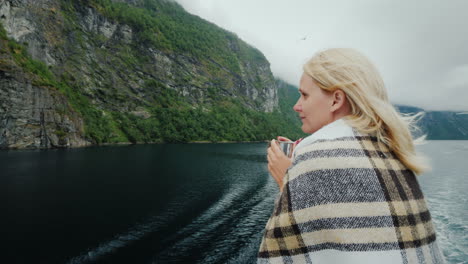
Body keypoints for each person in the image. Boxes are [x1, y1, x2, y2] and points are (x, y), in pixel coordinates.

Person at [258, 48, 446, 263]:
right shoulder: (392, 150)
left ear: (336, 100)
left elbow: (294, 246)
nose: (296, 105)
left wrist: (288, 182)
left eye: (305, 95)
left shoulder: (314, 154)